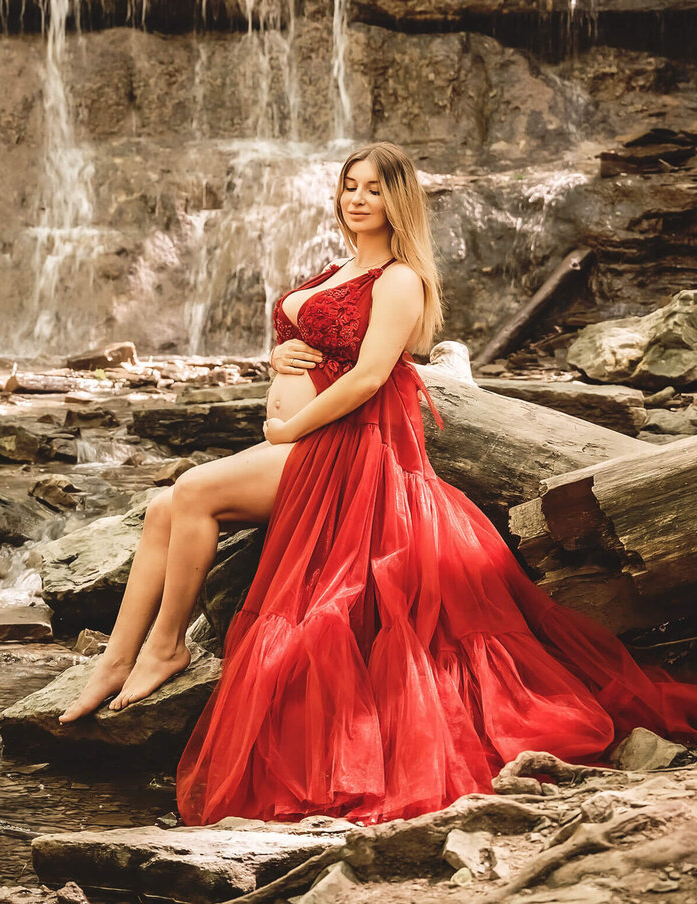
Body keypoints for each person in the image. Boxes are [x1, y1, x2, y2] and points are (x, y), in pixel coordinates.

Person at [60, 141, 697, 827]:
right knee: (162, 505)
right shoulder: (335, 271)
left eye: (373, 189)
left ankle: (168, 646)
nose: (357, 200)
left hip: (351, 449)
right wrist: (276, 360)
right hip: (309, 440)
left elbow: (367, 378)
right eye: (349, 186)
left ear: (399, 202)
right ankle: (117, 658)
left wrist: (287, 426)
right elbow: (311, 355)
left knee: (190, 490)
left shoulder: (399, 280)